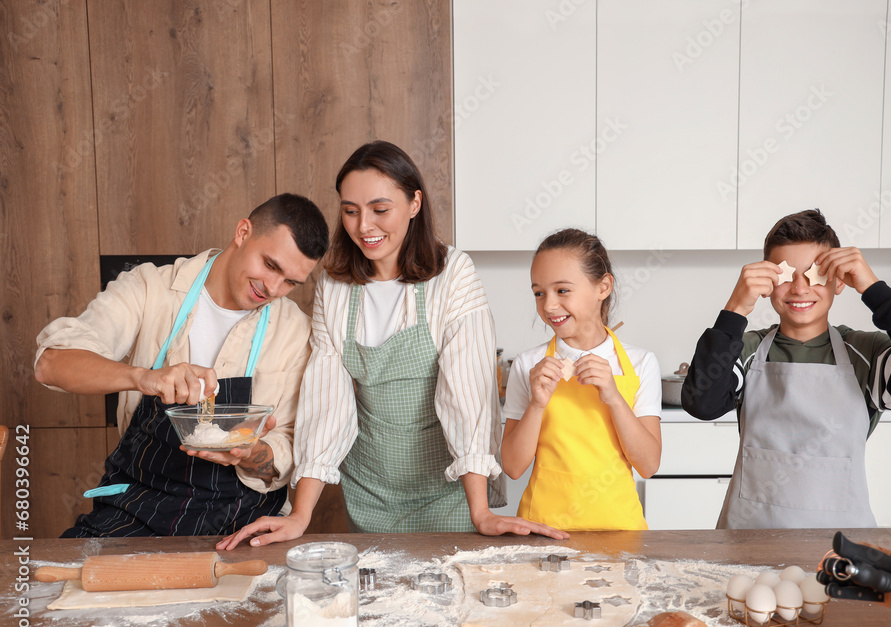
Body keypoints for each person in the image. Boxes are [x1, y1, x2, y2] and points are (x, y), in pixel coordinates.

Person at [218, 141, 568, 549]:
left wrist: (480, 512)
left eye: (380, 210)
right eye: (351, 211)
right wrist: (300, 515)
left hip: (448, 488)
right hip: (370, 491)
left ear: (414, 203)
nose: (364, 226)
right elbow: (326, 401)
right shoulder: (335, 285)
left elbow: (467, 394)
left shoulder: (452, 275)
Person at [34, 193, 330, 537]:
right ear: (243, 232)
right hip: (139, 504)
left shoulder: (297, 330)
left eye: (291, 282)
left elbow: (291, 442)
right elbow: (51, 362)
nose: (274, 288)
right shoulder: (150, 288)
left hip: (243, 515)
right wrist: (143, 378)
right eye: (270, 265)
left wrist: (252, 453)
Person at [681, 209, 891, 529]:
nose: (800, 289)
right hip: (750, 543)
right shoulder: (745, 350)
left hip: (839, 549)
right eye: (786, 276)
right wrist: (735, 308)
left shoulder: (867, 355)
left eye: (815, 274)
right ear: (768, 282)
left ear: (839, 281)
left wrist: (873, 288)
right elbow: (702, 404)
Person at [500, 229, 662, 530]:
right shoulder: (528, 365)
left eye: (562, 290)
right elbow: (512, 466)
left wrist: (613, 396)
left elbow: (649, 464)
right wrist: (537, 404)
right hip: (543, 531)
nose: (548, 306)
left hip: (620, 532)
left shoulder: (640, 363)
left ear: (603, 287)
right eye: (539, 292)